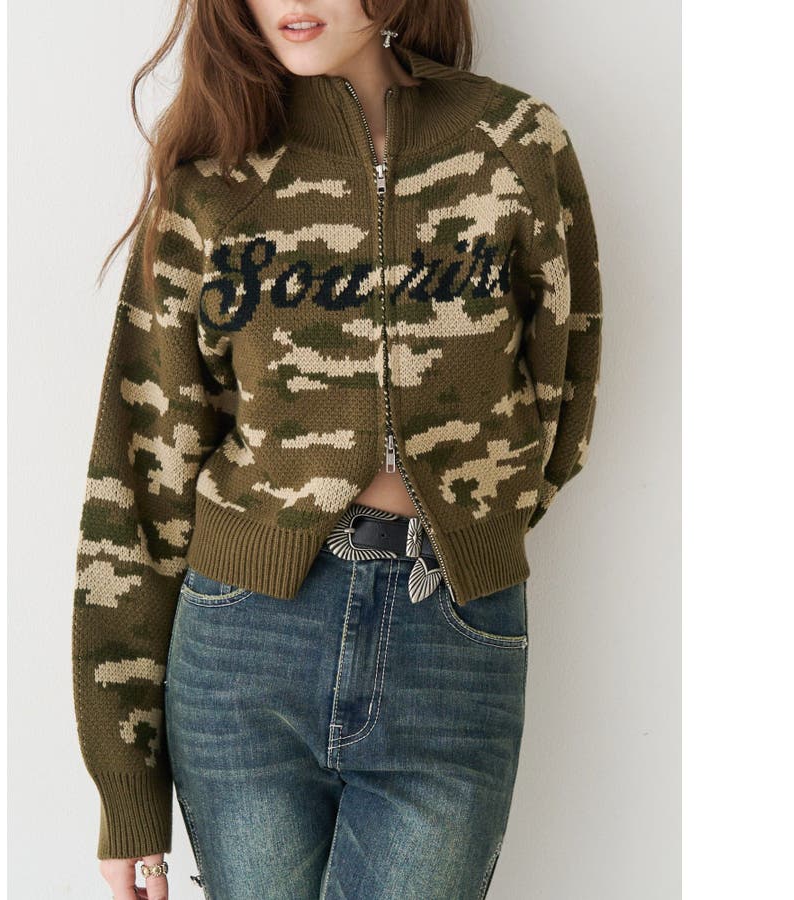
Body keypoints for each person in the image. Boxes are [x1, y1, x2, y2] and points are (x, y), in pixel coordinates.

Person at [71, 1, 602, 897]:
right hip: (243, 647)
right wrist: (126, 789)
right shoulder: (213, 183)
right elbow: (138, 477)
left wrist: (471, 533)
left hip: (453, 641)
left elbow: (564, 386)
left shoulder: (514, 145)